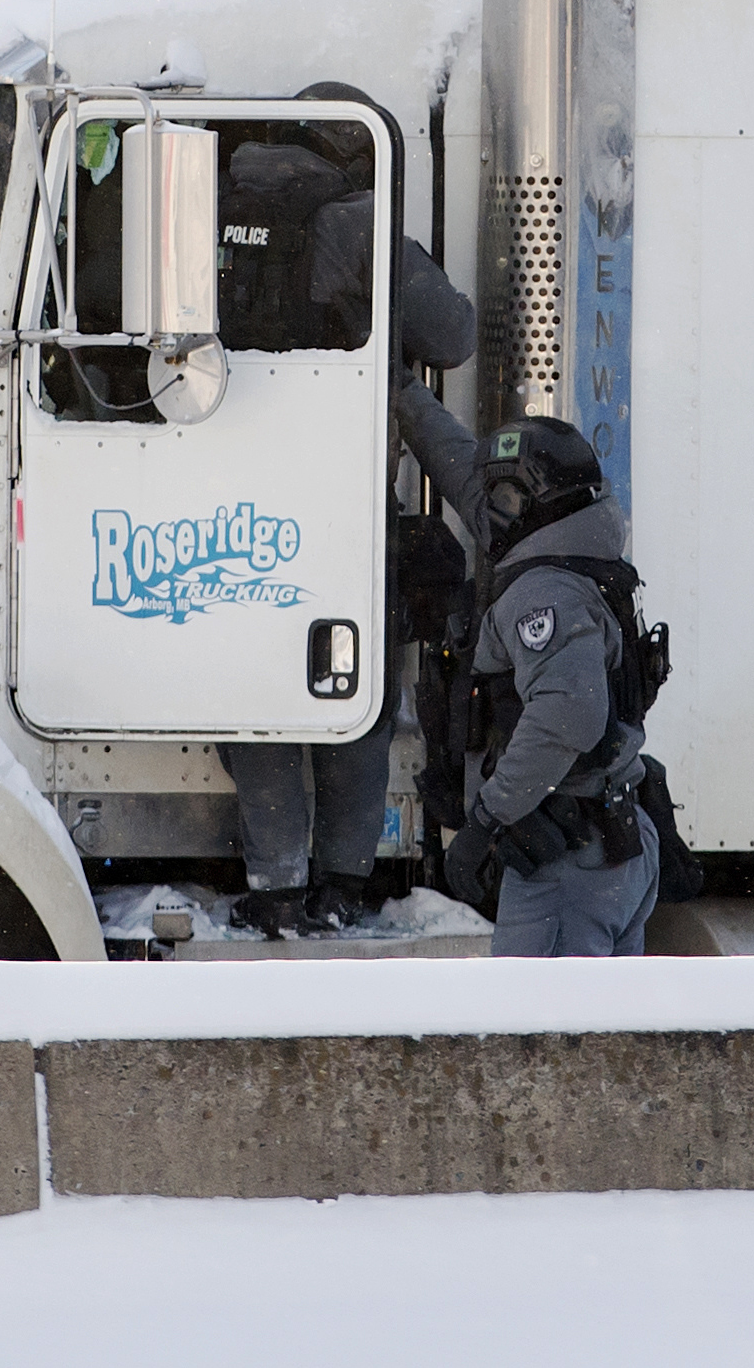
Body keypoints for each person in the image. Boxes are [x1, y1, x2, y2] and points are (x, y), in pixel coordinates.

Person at [222, 93, 476, 936]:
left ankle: (275, 880)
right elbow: (454, 336)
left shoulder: (204, 201)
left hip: (226, 497)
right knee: (355, 688)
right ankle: (341, 883)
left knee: (254, 688)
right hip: (344, 499)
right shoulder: (364, 220)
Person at [393, 381, 660, 958]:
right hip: (604, 843)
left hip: (565, 858)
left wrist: (486, 820)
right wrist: (401, 392)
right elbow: (462, 465)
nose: (491, 512)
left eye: (506, 499)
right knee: (601, 1039)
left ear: (541, 501)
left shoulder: (545, 589)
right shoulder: (579, 550)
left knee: (544, 1040)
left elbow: (570, 716)